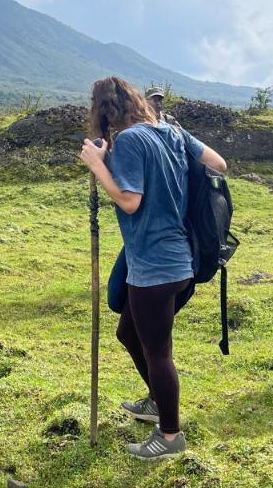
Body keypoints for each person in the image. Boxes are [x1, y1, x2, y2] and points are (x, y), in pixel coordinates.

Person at [80, 76, 227, 460]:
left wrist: (98, 164)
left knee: (158, 352)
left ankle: (170, 434)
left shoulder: (129, 140)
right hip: (180, 261)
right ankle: (156, 403)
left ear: (104, 111)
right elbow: (218, 164)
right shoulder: (172, 134)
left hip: (155, 266)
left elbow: (129, 201)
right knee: (128, 332)